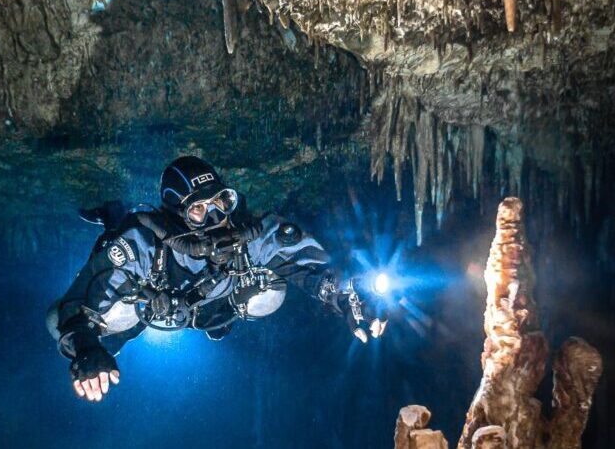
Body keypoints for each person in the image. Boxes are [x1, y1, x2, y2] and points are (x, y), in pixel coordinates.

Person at [46, 156, 387, 402]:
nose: (214, 217)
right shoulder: (141, 244)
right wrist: (87, 348)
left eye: (220, 203)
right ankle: (113, 215)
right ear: (176, 215)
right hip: (150, 309)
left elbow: (311, 266)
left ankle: (218, 322)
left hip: (214, 307)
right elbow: (76, 308)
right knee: (58, 320)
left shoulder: (250, 235)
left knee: (269, 292)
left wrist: (348, 296)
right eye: (198, 210)